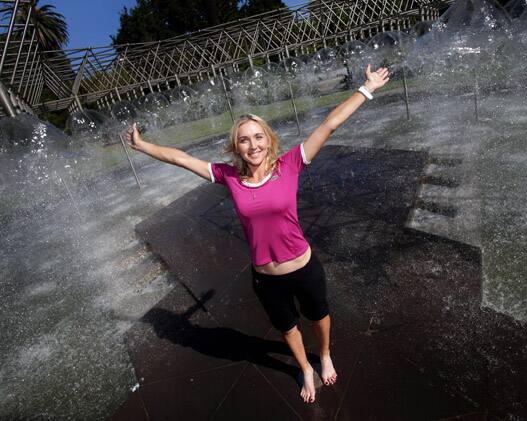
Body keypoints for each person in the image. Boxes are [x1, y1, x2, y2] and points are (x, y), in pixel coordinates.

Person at [125, 64, 390, 403]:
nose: (253, 145)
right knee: (287, 327)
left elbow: (330, 124)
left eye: (258, 137)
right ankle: (305, 369)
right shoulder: (229, 177)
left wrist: (366, 89)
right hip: (266, 276)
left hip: (303, 266)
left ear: (269, 139)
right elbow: (181, 159)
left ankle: (323, 356)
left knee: (319, 317)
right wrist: (143, 145)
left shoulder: (291, 163)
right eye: (244, 140)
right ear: (237, 147)